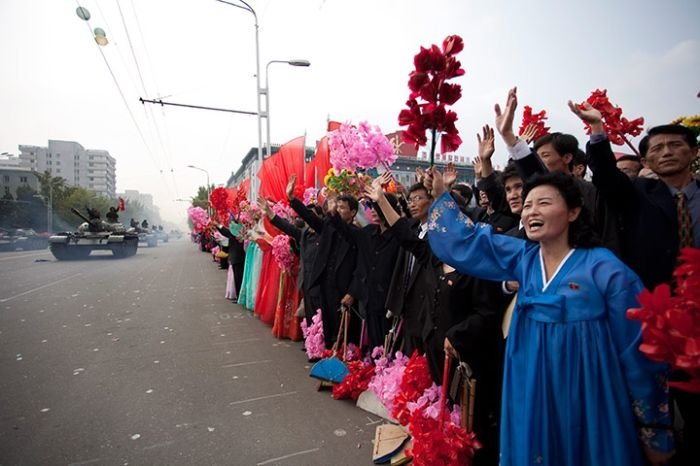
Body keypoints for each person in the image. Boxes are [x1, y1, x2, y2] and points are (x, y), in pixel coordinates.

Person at [425, 168, 673, 466]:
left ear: (573, 211)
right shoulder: (525, 258)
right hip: (531, 386)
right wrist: (441, 195)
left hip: (588, 392)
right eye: (527, 205)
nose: (531, 211)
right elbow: (471, 242)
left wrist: (654, 429)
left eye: (543, 203)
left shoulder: (608, 271)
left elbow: (641, 351)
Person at [570, 101, 699, 464]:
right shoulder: (637, 196)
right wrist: (598, 132)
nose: (666, 152)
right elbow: (608, 177)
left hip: (698, 322)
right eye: (656, 148)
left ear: (693, 152)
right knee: (654, 412)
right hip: (652, 322)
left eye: (675, 145)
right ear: (646, 161)